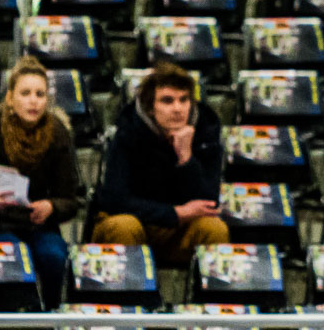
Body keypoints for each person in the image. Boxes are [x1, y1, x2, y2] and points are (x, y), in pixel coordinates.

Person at [0, 56, 80, 309]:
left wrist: (52, 207)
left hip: (38, 225)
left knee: (54, 256)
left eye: (40, 94)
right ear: (10, 98)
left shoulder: (58, 135)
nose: (33, 101)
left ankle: (51, 327)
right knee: (11, 254)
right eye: (26, 93)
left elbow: (71, 200)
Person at [93, 61, 230, 265]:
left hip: (178, 233)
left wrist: (186, 158)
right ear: (150, 108)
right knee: (123, 226)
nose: (178, 109)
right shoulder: (127, 134)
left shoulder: (205, 133)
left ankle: (211, 296)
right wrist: (174, 213)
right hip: (135, 224)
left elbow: (208, 202)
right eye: (167, 101)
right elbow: (115, 200)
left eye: (184, 100)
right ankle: (129, 297)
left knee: (214, 228)